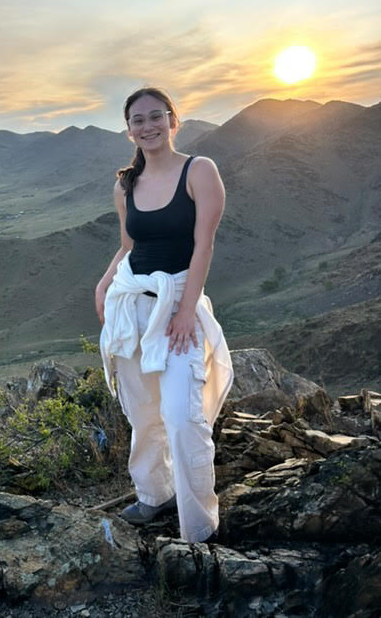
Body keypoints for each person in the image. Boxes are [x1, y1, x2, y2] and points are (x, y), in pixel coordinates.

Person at [96, 87, 233, 544]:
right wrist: (103, 285)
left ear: (174, 120)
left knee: (180, 415)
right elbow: (129, 246)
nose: (148, 126)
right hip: (130, 304)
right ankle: (154, 495)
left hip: (177, 304)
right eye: (138, 120)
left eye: (157, 116)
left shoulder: (199, 171)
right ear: (129, 129)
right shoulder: (126, 185)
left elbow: (204, 245)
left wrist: (186, 310)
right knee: (142, 411)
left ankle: (199, 527)